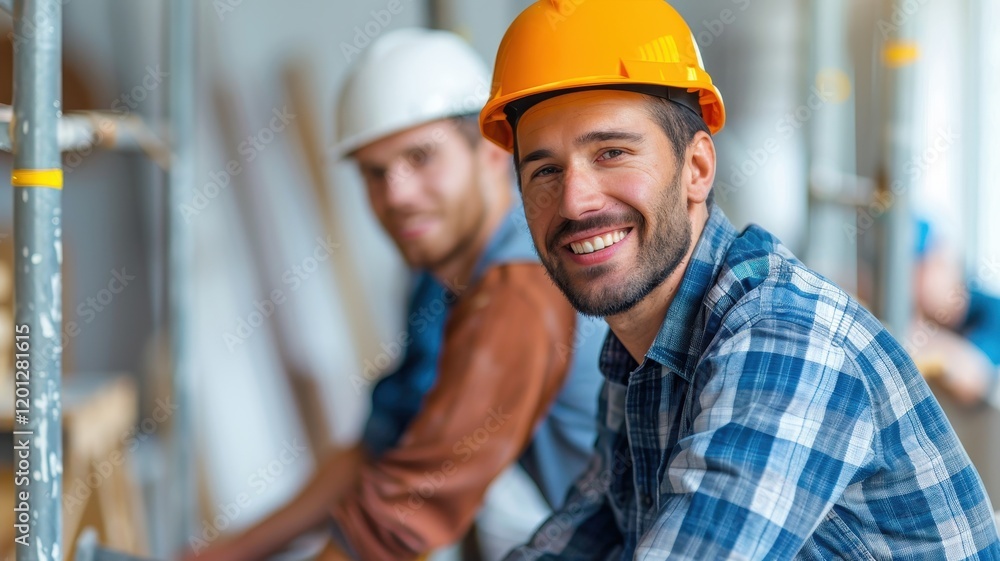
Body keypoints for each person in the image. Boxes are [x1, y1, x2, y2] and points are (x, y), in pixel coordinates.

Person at [477, 1, 1000, 558]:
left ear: (697, 170)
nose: (575, 202)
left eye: (612, 153)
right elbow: (586, 533)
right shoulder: (639, 349)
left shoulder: (787, 340)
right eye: (545, 171)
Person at [187, 29, 605, 561]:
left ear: (493, 153)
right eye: (374, 172)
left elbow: (400, 521)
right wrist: (216, 555)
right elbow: (382, 449)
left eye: (421, 157)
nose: (397, 194)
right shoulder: (438, 278)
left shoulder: (520, 289)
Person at [910, 219, 1000, 406]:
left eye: (922, 267)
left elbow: (974, 379)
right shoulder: (923, 317)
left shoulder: (991, 311)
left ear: (946, 261)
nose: (913, 283)